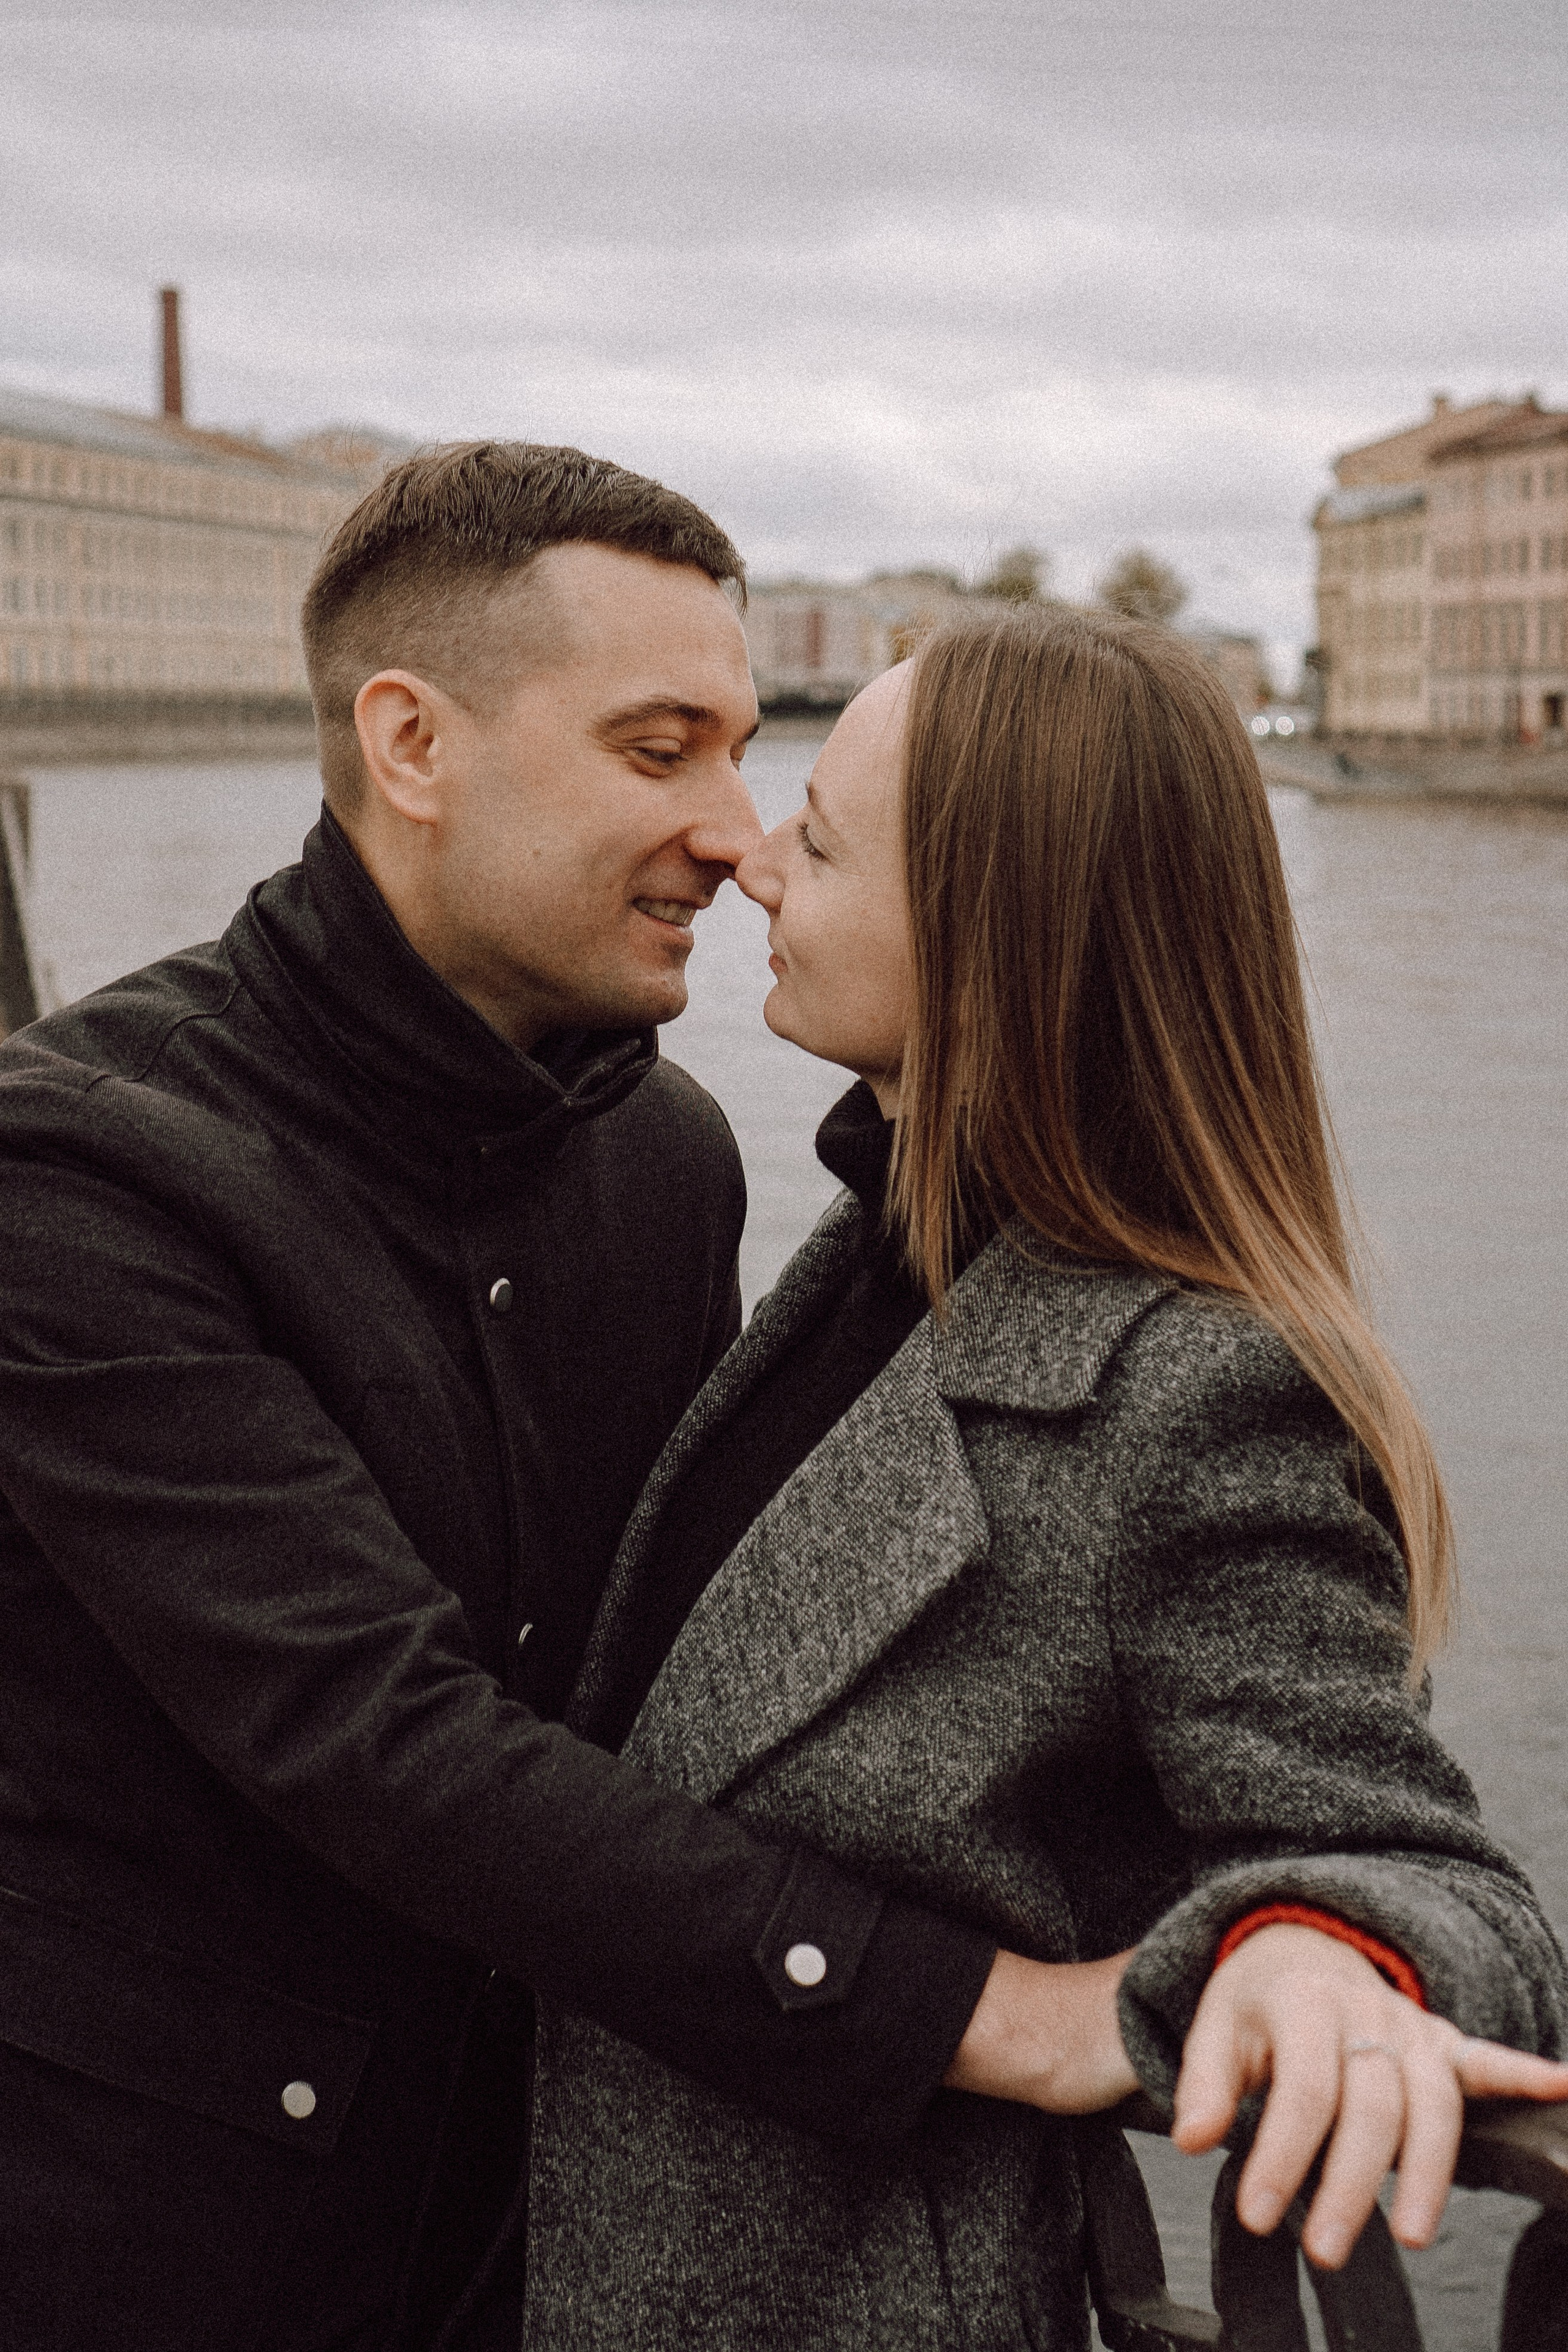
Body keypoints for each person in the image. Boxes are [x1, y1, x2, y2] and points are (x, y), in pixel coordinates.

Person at [0, 447, 1090, 2352]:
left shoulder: (665, 1154)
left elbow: (719, 1670)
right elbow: (376, 1731)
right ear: (411, 745)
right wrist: (972, 2009)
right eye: (660, 750)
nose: (739, 833)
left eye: (747, 752)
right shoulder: (85, 1175)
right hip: (164, 2251)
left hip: (561, 2240)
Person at [521, 605, 1568, 2349]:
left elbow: (1434, 1875)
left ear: (997, 937)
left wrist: (1318, 1947)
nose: (752, 861)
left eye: (825, 842)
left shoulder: (1188, 1382)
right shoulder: (887, 1252)